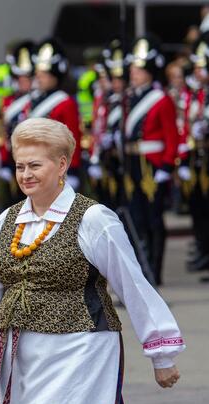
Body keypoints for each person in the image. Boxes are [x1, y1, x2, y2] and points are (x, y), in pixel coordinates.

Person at [0, 117, 185, 404]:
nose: (25, 175)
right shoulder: (7, 221)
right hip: (21, 359)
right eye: (20, 166)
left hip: (80, 352)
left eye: (35, 165)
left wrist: (161, 354)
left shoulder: (94, 219)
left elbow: (133, 285)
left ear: (62, 163)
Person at [123, 36, 179, 286]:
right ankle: (140, 270)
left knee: (153, 218)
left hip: (152, 165)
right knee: (135, 218)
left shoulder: (161, 98)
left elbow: (171, 136)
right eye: (132, 69)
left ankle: (154, 272)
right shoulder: (130, 97)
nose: (132, 73)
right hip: (133, 163)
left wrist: (167, 166)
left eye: (137, 70)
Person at [30, 38, 83, 189]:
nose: (38, 77)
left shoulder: (65, 103)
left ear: (54, 76)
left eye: (44, 73)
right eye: (37, 72)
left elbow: (73, 139)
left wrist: (72, 170)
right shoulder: (33, 101)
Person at [88, 39, 127, 209]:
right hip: (104, 156)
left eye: (105, 78)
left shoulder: (118, 99)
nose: (102, 82)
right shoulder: (102, 99)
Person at [0, 40, 35, 209]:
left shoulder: (36, 102)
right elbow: (6, 134)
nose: (22, 81)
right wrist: (4, 163)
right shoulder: (9, 101)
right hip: (13, 158)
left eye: (26, 78)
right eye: (19, 78)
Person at [186, 36, 209, 275]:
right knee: (199, 207)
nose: (198, 72)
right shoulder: (200, 92)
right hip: (200, 158)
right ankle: (204, 249)